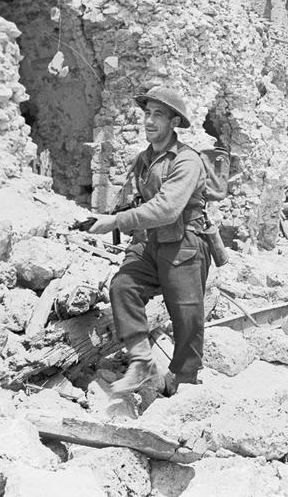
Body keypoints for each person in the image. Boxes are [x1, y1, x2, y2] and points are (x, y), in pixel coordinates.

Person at [89, 86, 210, 396]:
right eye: (146, 114)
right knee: (122, 286)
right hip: (150, 243)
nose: (149, 121)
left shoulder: (187, 160)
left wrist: (116, 222)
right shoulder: (145, 159)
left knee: (187, 317)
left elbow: (168, 208)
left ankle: (184, 381)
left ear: (174, 123)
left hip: (184, 243)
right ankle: (142, 362)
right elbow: (131, 198)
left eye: (158, 115)